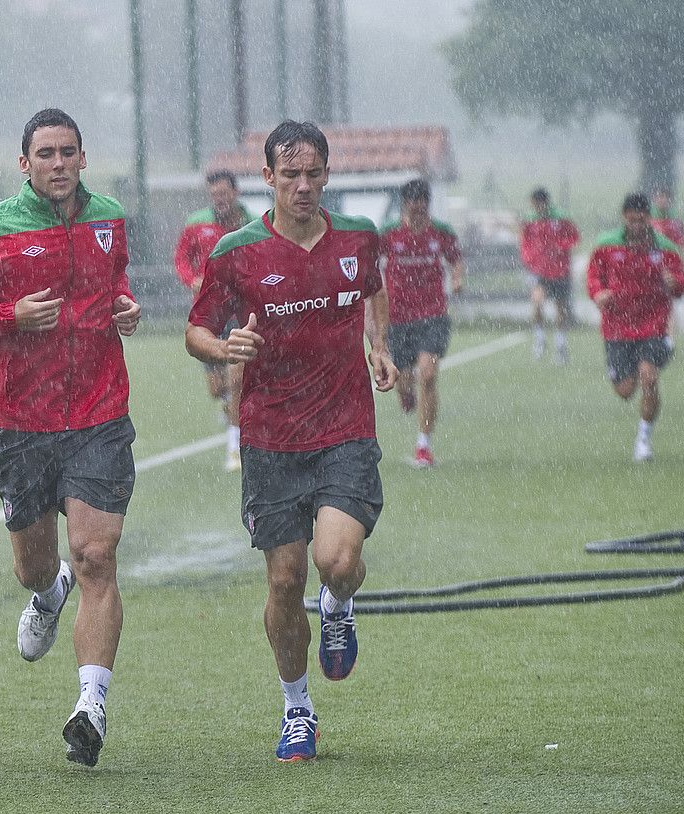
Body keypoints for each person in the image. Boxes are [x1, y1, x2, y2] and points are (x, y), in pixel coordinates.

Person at [185, 120, 397, 763]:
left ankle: (338, 604)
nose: (302, 186)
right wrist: (225, 348)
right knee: (283, 581)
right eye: (290, 174)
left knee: (336, 559)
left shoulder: (358, 239)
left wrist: (379, 344)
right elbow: (195, 331)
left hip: (344, 429)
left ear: (327, 175)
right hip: (271, 436)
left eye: (313, 174)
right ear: (269, 178)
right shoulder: (236, 252)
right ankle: (297, 709)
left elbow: (374, 288)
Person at [0, 108, 140, 768]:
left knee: (97, 555)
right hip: (22, 427)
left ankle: (90, 705)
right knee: (37, 564)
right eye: (45, 153)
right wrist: (9, 316)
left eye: (68, 152)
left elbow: (114, 280)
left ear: (83, 158)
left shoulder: (110, 217)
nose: (58, 163)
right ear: (23, 163)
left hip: (99, 417)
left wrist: (126, 303)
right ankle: (45, 592)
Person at [586, 193, 684, 462]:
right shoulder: (606, 245)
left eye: (642, 220)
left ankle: (643, 441)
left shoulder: (664, 247)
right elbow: (594, 277)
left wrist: (673, 282)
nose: (637, 225)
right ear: (624, 218)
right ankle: (627, 371)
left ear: (649, 218)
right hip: (617, 327)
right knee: (625, 391)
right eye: (632, 220)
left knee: (648, 376)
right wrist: (598, 293)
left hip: (653, 324)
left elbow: (681, 282)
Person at [378, 178, 464, 468]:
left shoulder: (441, 233)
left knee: (427, 375)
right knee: (403, 380)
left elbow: (455, 259)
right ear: (404, 206)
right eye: (412, 209)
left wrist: (457, 278)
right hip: (398, 318)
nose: (417, 215)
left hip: (433, 315)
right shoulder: (389, 234)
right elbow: (370, 265)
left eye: (422, 210)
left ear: (428, 206)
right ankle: (406, 395)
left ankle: (423, 446)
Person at [173, 170, 254, 471]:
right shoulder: (197, 223)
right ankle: (228, 405)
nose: (219, 200)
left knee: (237, 378)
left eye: (224, 194)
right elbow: (181, 258)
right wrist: (191, 278)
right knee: (217, 387)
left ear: (236, 192)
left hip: (240, 313)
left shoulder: (253, 222)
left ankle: (234, 447)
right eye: (214, 194)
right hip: (208, 314)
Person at [519, 187, 580, 364]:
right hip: (540, 271)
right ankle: (540, 340)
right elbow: (525, 243)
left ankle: (561, 346)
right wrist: (530, 260)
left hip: (560, 270)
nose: (536, 207)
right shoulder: (530, 220)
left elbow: (574, 237)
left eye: (538, 203)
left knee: (560, 308)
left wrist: (560, 247)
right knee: (537, 303)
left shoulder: (560, 218)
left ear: (544, 202)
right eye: (533, 204)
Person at [650, 186, 684, 351]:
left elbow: (682, 244)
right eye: (659, 197)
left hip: (668, 269)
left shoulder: (675, 222)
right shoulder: (648, 220)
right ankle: (653, 337)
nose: (662, 201)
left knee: (670, 305)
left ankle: (669, 342)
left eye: (665, 198)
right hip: (650, 268)